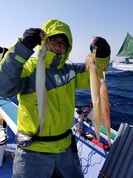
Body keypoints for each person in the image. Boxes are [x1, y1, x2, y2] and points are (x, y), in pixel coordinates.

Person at [0, 19, 110, 178]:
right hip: (32, 152)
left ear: (68, 48)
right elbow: (4, 87)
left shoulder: (71, 71)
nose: (58, 46)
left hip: (66, 152)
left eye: (63, 44)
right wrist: (22, 48)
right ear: (44, 41)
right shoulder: (28, 68)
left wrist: (102, 56)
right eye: (54, 40)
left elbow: (95, 76)